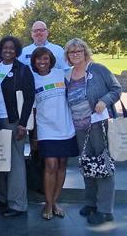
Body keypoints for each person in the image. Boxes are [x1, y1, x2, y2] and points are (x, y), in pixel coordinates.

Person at [64, 38, 121, 225]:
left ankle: (105, 210)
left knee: (103, 165)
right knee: (88, 164)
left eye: (78, 50)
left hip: (99, 124)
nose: (75, 54)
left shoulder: (98, 69)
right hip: (79, 127)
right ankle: (90, 202)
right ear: (68, 56)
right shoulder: (68, 74)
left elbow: (116, 89)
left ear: (85, 51)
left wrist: (104, 100)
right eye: (71, 52)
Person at [0, 36, 35, 217]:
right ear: (0, 49)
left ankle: (17, 204)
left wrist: (23, 124)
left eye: (12, 48)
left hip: (13, 120)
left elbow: (29, 97)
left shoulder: (22, 70)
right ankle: (2, 198)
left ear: (17, 51)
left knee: (15, 162)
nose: (8, 50)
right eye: (5, 48)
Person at [30, 47, 78, 220]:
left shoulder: (61, 75)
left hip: (65, 127)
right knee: (50, 166)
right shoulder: (32, 79)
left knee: (62, 166)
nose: (42, 62)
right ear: (34, 62)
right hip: (46, 129)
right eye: (38, 59)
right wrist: (34, 135)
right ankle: (48, 205)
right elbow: (32, 110)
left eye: (45, 59)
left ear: (51, 60)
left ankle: (55, 202)